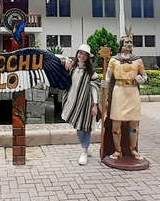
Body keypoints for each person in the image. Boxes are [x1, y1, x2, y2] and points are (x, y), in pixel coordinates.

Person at [102, 28, 147, 160]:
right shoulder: (114, 60)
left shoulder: (137, 60)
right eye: (126, 43)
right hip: (119, 92)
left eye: (130, 43)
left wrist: (142, 79)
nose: (129, 45)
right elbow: (108, 76)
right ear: (121, 45)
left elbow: (144, 76)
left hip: (132, 91)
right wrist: (105, 82)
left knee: (134, 122)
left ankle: (133, 149)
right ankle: (117, 150)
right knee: (116, 122)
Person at [60, 44, 100, 165]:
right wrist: (66, 58)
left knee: (85, 127)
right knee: (78, 126)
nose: (81, 56)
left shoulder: (91, 72)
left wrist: (95, 104)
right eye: (80, 53)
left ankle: (84, 151)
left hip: (86, 103)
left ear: (88, 57)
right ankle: (85, 146)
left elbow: (94, 88)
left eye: (84, 54)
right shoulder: (71, 66)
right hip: (73, 102)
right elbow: (55, 57)